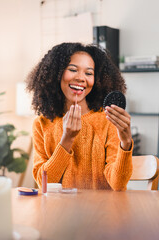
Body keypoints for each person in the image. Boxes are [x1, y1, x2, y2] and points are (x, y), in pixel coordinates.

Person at [26, 42, 133, 191]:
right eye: (73, 70)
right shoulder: (41, 124)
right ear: (56, 73)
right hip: (59, 211)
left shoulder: (107, 120)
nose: (81, 78)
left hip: (101, 211)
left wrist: (126, 143)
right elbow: (43, 184)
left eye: (89, 73)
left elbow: (118, 185)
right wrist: (67, 139)